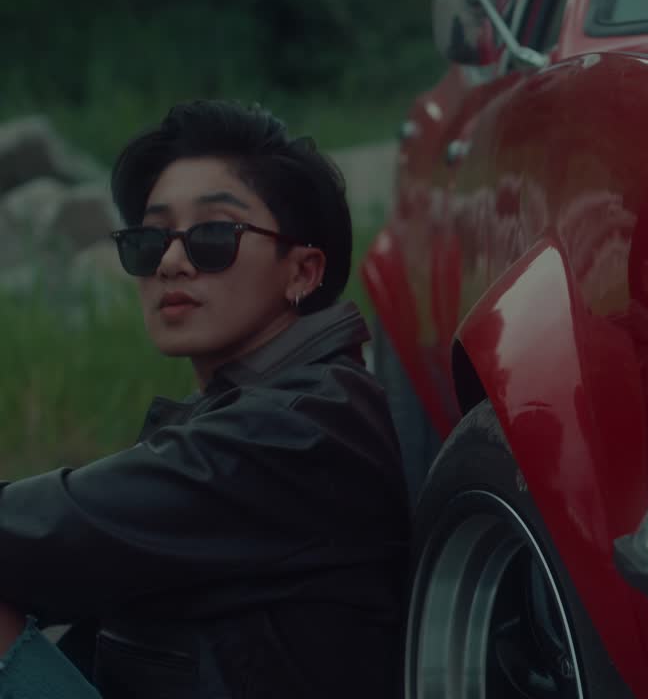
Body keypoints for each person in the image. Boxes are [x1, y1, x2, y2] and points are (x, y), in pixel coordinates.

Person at [0, 100, 410, 698]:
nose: (170, 261)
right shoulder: (260, 408)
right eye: (149, 239)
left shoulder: (305, 427)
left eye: (213, 235)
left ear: (302, 271)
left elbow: (57, 527)